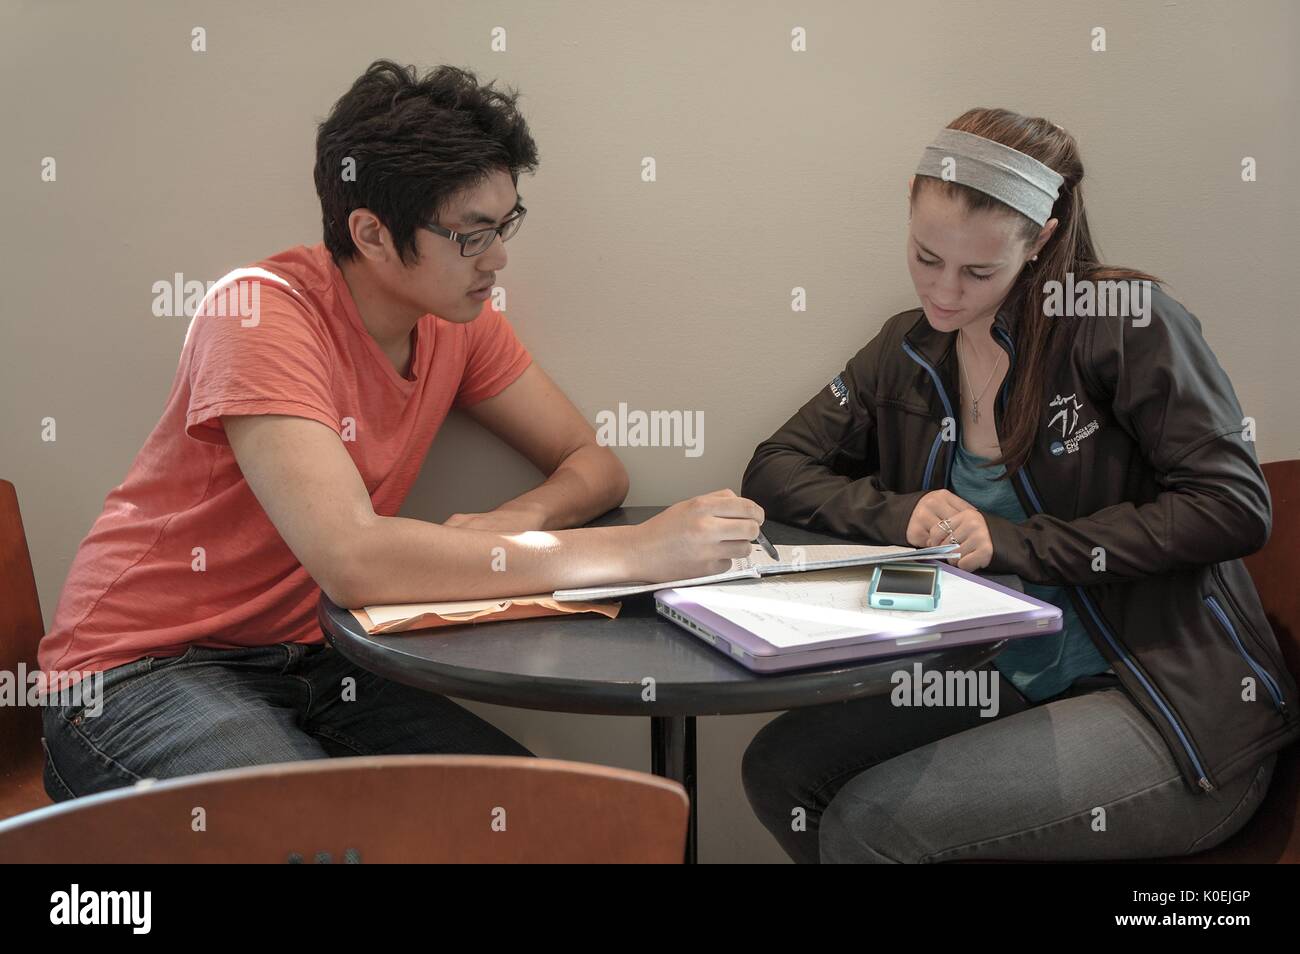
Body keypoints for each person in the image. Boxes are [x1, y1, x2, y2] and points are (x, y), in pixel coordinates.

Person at [38, 61, 763, 801]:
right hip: (142, 670)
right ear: (372, 233)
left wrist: (518, 521)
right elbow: (353, 559)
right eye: (472, 234)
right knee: (313, 840)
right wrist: (637, 551)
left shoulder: (456, 323)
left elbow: (592, 463)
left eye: (505, 224)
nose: (500, 257)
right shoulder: (256, 315)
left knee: (549, 822)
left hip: (322, 659)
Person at [739, 107, 1297, 863]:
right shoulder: (907, 351)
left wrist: (1012, 543)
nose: (943, 292)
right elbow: (775, 468)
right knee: (781, 770)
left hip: (1158, 702)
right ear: (909, 202)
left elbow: (1232, 509)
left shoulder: (1123, 324)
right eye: (926, 255)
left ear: (1039, 242)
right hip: (1002, 673)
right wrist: (899, 514)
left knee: (871, 827)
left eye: (978, 272)